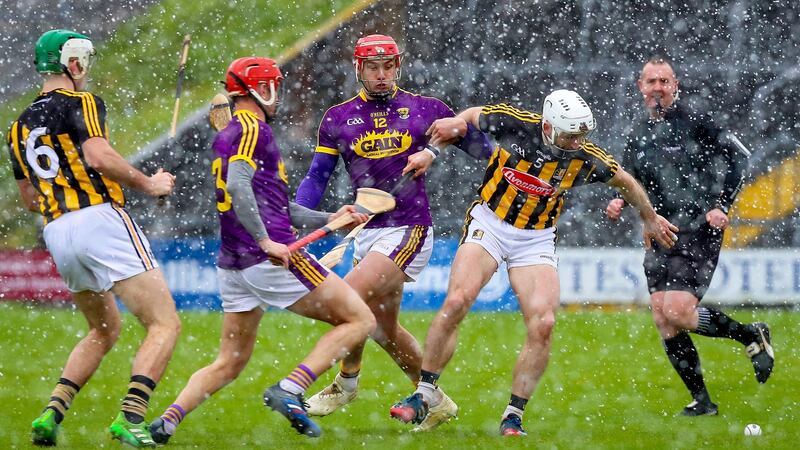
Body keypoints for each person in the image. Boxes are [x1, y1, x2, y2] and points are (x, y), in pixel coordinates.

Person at [390, 89, 680, 436]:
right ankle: (424, 393)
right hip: (490, 223)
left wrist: (649, 218)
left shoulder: (588, 158)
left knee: (543, 323)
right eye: (571, 135)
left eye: (582, 135)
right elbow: (470, 116)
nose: (577, 142)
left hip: (536, 238)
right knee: (456, 301)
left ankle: (513, 415)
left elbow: (627, 183)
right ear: (547, 126)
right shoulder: (515, 124)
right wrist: (445, 136)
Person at [147, 57, 375, 442]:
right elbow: (238, 187)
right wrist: (265, 241)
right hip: (270, 256)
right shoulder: (254, 130)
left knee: (230, 361)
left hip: (233, 263)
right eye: (274, 86)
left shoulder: (232, 133)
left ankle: (167, 420)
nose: (278, 94)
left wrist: (332, 218)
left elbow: (281, 207)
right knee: (360, 321)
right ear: (261, 89)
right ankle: (290, 388)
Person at [294, 34, 492, 430]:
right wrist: (297, 216)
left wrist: (434, 150)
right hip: (367, 231)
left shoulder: (426, 109)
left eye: (388, 66)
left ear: (398, 66)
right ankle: (434, 400)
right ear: (358, 68)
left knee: (345, 301)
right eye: (373, 67)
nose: (382, 75)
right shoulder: (337, 117)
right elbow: (317, 176)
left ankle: (346, 383)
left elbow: (483, 148)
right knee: (384, 330)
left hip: (409, 229)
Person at [6, 29, 181, 448]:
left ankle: (51, 414)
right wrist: (149, 184)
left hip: (56, 231)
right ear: (72, 63)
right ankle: (131, 417)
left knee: (103, 329)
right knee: (164, 323)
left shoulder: (17, 127)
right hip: (99, 219)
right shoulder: (81, 102)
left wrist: (64, 190)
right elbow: (98, 156)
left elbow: (29, 199)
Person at [605, 56, 774, 416]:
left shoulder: (695, 119)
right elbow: (631, 178)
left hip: (698, 228)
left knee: (679, 312)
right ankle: (703, 402)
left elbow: (739, 157)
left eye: (664, 81)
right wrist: (620, 199)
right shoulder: (638, 132)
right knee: (663, 318)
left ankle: (749, 334)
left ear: (676, 85)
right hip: (659, 232)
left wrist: (722, 204)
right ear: (640, 87)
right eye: (651, 82)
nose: (658, 88)